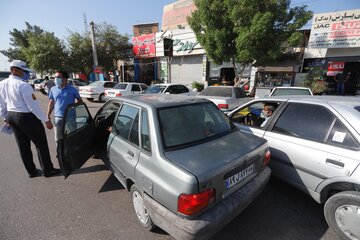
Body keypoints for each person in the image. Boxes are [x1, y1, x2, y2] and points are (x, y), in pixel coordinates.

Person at [0, 60, 61, 178]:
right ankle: (48, 170)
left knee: (23, 146)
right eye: (23, 71)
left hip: (12, 116)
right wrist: (46, 120)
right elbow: (33, 106)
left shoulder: (2, 84)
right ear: (14, 70)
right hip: (26, 116)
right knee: (41, 144)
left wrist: (5, 117)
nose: (25, 73)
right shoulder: (23, 85)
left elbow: (1, 104)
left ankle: (31, 171)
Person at [47, 70, 82, 142]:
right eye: (55, 77)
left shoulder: (72, 89)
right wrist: (48, 115)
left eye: (58, 77)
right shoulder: (53, 89)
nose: (56, 79)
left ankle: (73, 152)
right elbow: (51, 102)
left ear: (65, 78)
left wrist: (73, 106)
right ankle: (60, 152)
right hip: (58, 117)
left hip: (71, 117)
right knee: (58, 138)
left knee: (73, 136)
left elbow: (80, 101)